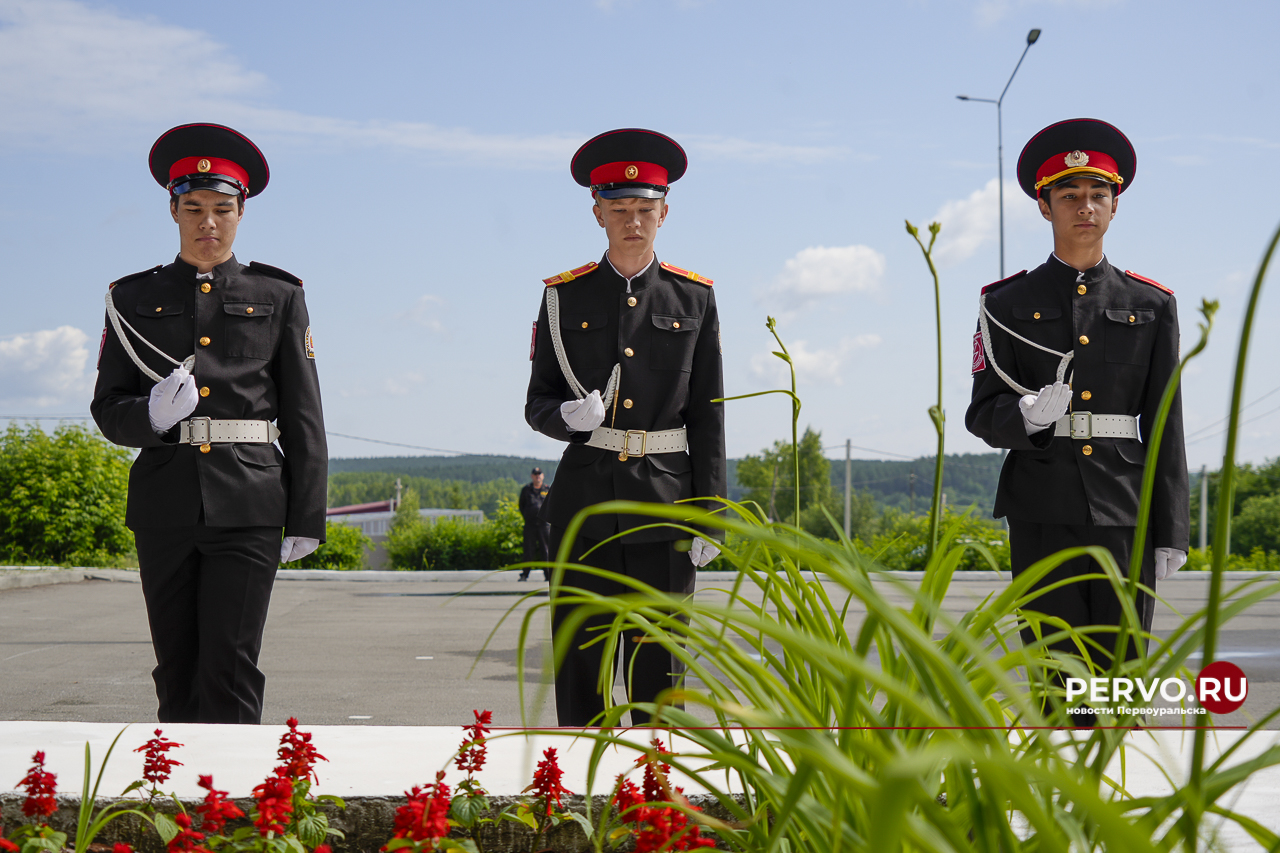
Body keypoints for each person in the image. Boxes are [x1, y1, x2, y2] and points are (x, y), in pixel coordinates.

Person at [91, 123, 327, 724]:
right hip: (165, 501)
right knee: (175, 665)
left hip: (249, 500)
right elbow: (107, 407)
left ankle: (238, 805)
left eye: (222, 209)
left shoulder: (278, 295)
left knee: (230, 664)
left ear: (241, 212)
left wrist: (307, 514)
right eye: (193, 208)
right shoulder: (130, 297)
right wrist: (151, 416)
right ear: (172, 209)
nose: (208, 223)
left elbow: (304, 415)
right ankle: (178, 801)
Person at [965, 118, 1189, 721]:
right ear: (1045, 207)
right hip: (1042, 508)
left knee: (1121, 679)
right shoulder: (1004, 302)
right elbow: (981, 413)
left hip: (1124, 508)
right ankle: (1057, 797)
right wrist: (1025, 415)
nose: (1085, 207)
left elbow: (1166, 424)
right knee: (1055, 674)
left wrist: (1171, 526)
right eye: (1069, 196)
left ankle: (1118, 795)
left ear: (1115, 206)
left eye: (1098, 195)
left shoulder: (1151, 304)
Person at [525, 128, 727, 726]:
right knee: (582, 672)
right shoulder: (563, 297)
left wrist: (711, 510)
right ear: (597, 213)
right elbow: (537, 401)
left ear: (665, 213)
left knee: (658, 678)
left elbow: (709, 414)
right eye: (619, 210)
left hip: (665, 504)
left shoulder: (694, 299)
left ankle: (657, 801)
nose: (632, 221)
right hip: (584, 501)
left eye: (645, 210)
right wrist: (565, 418)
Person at [518, 467, 552, 581]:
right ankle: (524, 575)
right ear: (532, 476)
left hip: (544, 526)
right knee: (528, 551)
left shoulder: (547, 489)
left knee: (546, 551)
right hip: (530, 525)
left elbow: (552, 505)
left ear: (542, 476)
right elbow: (521, 506)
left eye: (539, 474)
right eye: (535, 474)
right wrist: (528, 516)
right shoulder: (526, 490)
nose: (537, 476)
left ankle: (548, 576)